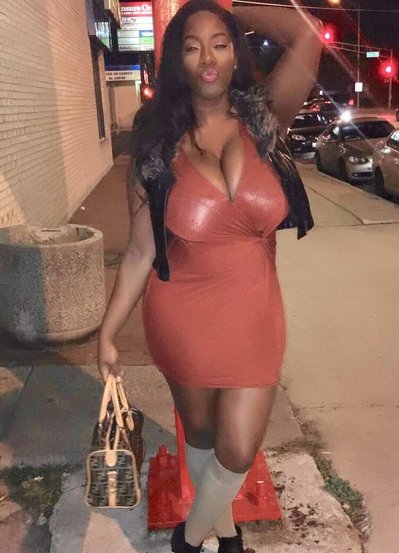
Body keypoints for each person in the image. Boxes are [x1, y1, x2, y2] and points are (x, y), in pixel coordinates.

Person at [98, 1, 322, 551]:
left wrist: (228, 6)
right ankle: (225, 533)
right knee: (199, 436)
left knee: (238, 449)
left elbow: (307, 33)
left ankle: (189, 538)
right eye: (192, 46)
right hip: (182, 313)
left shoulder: (266, 118)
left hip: (256, 315)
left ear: (235, 53)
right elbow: (140, 251)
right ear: (177, 60)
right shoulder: (155, 145)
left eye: (220, 43)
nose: (207, 58)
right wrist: (107, 332)